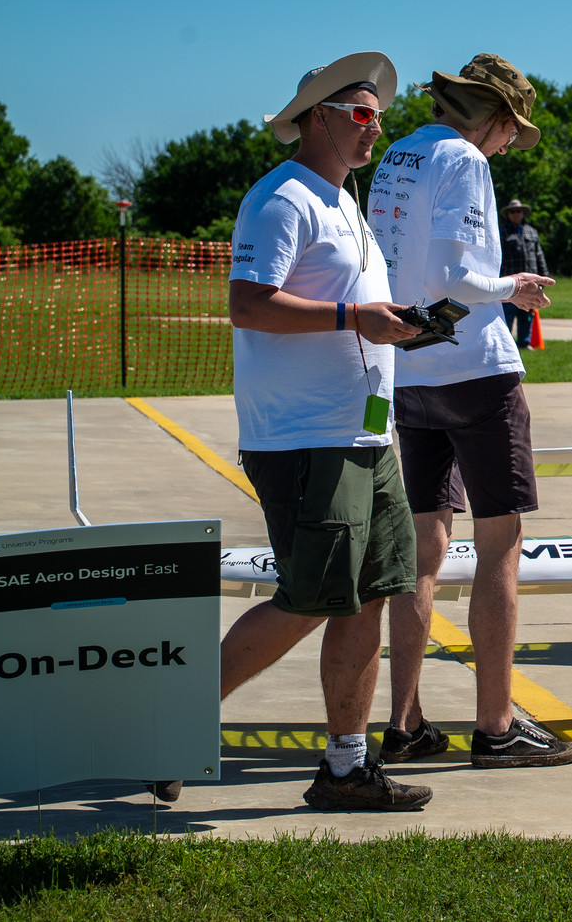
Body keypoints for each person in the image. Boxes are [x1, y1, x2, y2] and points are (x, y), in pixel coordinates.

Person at [221, 51, 431, 811]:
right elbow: (249, 304)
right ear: (318, 117)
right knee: (310, 597)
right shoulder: (282, 199)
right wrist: (353, 318)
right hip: (304, 438)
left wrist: (395, 324)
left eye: (379, 115)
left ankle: (347, 766)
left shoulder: (346, 202)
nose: (376, 128)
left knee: (369, 596)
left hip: (364, 434)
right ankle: (171, 719)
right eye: (362, 114)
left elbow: (354, 311)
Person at [370, 54, 572, 769]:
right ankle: (496, 725)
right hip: (475, 372)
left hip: (409, 369)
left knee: (422, 551)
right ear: (490, 117)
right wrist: (513, 286)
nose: (508, 146)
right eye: (510, 130)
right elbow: (459, 276)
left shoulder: (398, 153)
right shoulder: (465, 160)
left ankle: (404, 723)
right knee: (499, 545)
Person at [499, 199, 548, 346]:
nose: (516, 214)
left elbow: (539, 254)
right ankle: (505, 343)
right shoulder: (501, 231)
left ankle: (524, 343)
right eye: (512, 211)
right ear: (508, 214)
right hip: (509, 282)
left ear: (523, 213)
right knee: (507, 314)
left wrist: (543, 275)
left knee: (527, 313)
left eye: (518, 211)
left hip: (530, 281)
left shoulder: (531, 231)